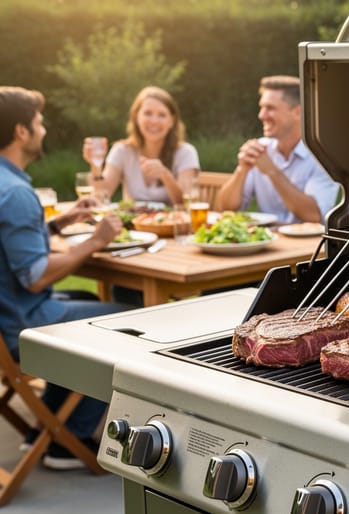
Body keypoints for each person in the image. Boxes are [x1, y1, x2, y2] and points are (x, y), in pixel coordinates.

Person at [0, 86, 132, 470]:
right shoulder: (15, 193)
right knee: (127, 321)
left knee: (84, 302)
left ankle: (46, 426)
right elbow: (36, 278)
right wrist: (95, 240)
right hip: (21, 328)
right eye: (39, 123)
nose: (44, 130)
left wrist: (60, 222)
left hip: (8, 316)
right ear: (21, 132)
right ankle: (66, 439)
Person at [218, 75, 340, 223]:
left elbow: (315, 215)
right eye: (261, 107)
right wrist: (241, 170)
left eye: (270, 108)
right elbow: (226, 209)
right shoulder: (260, 149)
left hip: (308, 245)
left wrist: (272, 171)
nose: (261, 115)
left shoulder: (323, 156)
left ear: (297, 112)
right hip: (268, 241)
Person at [84, 86, 199, 205]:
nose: (154, 121)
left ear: (172, 121)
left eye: (162, 115)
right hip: (130, 223)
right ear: (136, 116)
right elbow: (102, 196)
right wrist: (95, 165)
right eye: (148, 113)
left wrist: (166, 176)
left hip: (171, 223)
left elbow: (185, 204)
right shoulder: (122, 151)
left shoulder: (186, 153)